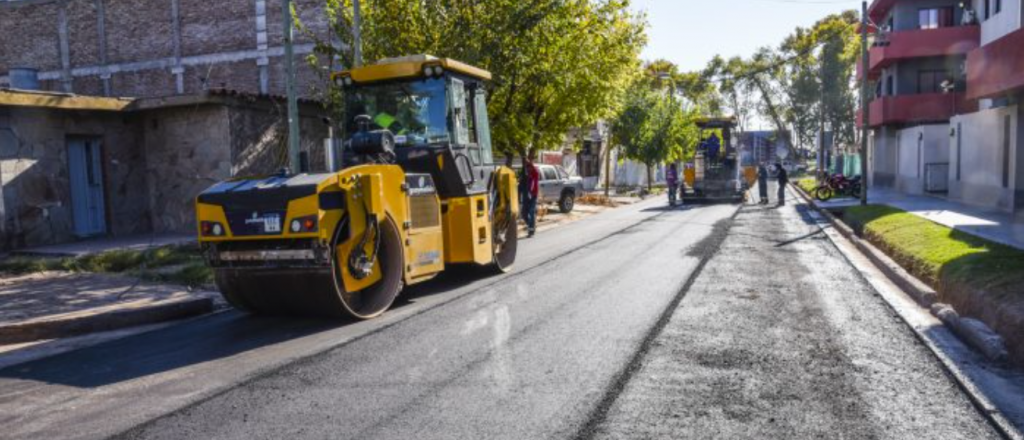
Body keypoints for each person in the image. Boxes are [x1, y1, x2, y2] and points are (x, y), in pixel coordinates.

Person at [522, 154, 541, 237]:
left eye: (529, 166)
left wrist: (529, 161)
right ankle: (531, 225)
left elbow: (533, 182)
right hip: (526, 195)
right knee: (524, 213)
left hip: (533, 195)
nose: (528, 168)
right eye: (526, 167)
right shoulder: (525, 172)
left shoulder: (535, 172)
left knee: (531, 212)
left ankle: (531, 231)